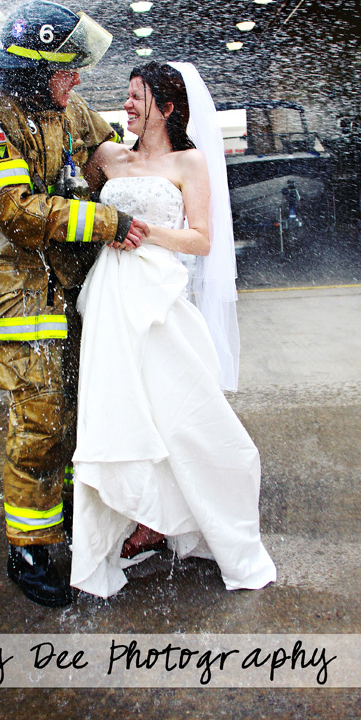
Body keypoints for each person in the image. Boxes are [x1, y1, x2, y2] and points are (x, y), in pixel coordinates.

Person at [0, 1, 148, 608]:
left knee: (80, 415)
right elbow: (14, 210)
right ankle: (29, 551)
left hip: (76, 294)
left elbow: (109, 158)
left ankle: (66, 519)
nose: (79, 80)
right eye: (68, 68)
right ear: (36, 70)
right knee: (40, 426)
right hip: (24, 302)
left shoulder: (73, 109)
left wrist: (163, 172)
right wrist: (108, 220)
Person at [70, 61, 277, 598]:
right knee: (121, 411)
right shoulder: (108, 156)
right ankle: (138, 520)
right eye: (127, 96)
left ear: (166, 106)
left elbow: (202, 240)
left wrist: (138, 229)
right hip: (111, 297)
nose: (128, 105)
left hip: (160, 297)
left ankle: (189, 518)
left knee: (179, 413)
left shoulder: (190, 162)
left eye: (138, 97)